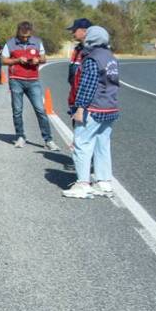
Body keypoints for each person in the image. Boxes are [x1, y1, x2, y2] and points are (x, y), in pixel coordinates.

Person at [63, 25, 119, 199]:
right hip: (110, 107)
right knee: (103, 145)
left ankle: (83, 184)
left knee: (83, 143)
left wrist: (80, 108)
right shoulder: (111, 57)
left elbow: (88, 85)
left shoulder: (91, 58)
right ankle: (103, 182)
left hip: (93, 108)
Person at [2, 21, 59, 151]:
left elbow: (44, 59)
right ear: (18, 32)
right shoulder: (10, 43)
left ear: (31, 32)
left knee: (40, 110)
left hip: (33, 81)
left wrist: (38, 60)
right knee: (17, 110)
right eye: (22, 36)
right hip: (16, 80)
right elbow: (4, 60)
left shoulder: (37, 42)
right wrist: (17, 60)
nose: (25, 39)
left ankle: (48, 140)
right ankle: (20, 136)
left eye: (27, 36)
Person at [65, 18, 93, 120]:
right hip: (75, 97)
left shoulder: (92, 50)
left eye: (75, 30)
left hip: (85, 102)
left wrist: (81, 105)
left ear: (84, 31)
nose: (72, 33)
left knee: (81, 134)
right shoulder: (78, 49)